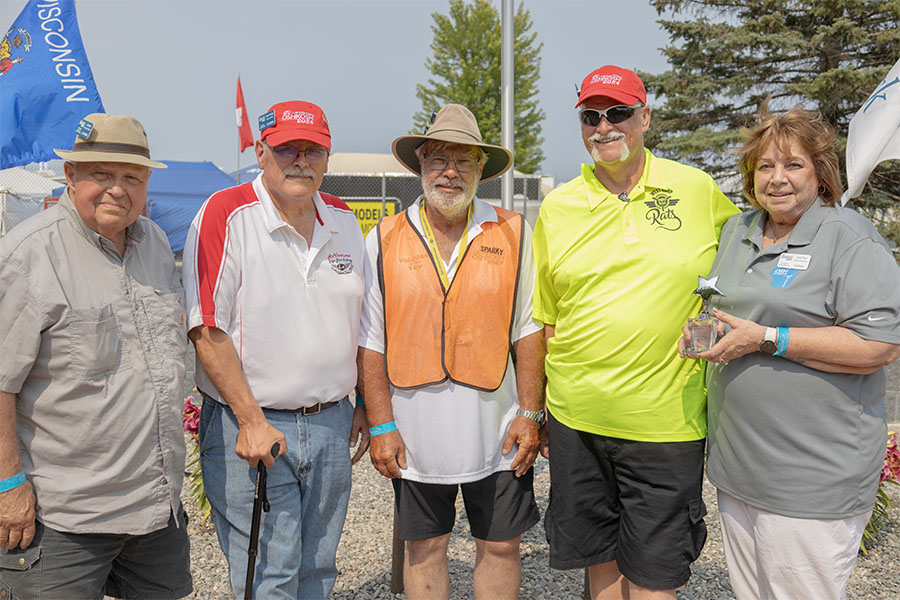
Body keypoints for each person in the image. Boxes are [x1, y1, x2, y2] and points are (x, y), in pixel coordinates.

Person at [532, 65, 740, 599]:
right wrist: (540, 413)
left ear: (644, 117)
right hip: (578, 419)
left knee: (654, 576)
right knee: (599, 566)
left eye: (619, 113)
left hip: (666, 423)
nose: (605, 127)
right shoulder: (557, 209)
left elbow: (750, 255)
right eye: (591, 116)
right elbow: (548, 317)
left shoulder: (695, 189)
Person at [679, 102, 900, 599]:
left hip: (810, 476)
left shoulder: (849, 239)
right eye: (765, 166)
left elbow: (881, 345)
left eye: (793, 164)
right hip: (739, 470)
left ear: (820, 174)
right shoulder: (738, 230)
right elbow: (736, 309)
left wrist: (770, 339)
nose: (777, 178)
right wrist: (709, 336)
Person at [358, 103, 545, 600]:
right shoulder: (383, 237)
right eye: (438, 158)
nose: (449, 172)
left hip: (499, 428)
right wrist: (380, 424)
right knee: (425, 547)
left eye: (463, 161)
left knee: (502, 547)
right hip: (415, 430)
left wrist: (531, 412)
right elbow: (370, 340)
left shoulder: (515, 232)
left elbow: (528, 329)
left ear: (481, 169)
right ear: (420, 165)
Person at [183, 100, 369, 599]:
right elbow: (206, 329)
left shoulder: (344, 218)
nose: (301, 161)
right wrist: (250, 420)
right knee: (270, 573)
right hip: (254, 421)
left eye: (314, 150)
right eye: (287, 148)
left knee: (318, 570)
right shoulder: (227, 213)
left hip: (331, 422)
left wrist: (366, 405)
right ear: (261, 152)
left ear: (328, 159)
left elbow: (363, 323)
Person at [0, 114, 191, 598]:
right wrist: (8, 485)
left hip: (155, 510)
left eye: (132, 178)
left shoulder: (153, 248)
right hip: (62, 517)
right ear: (71, 176)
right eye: (101, 175)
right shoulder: (29, 254)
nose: (117, 190)